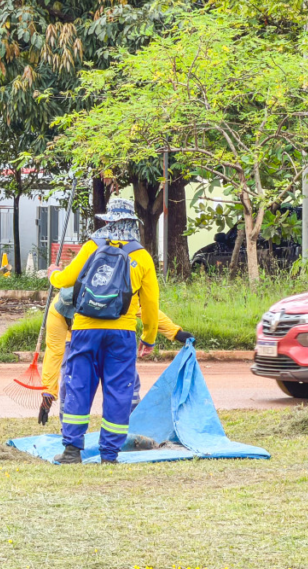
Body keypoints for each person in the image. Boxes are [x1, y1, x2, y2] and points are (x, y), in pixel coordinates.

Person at [46, 197, 160, 464]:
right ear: (132, 223)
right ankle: (109, 455)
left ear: (108, 220)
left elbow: (64, 280)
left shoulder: (91, 246)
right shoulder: (141, 256)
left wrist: (52, 273)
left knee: (79, 386)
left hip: (85, 330)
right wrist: (149, 337)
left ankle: (72, 451)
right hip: (122, 334)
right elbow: (151, 303)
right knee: (119, 390)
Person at [37, 287, 192, 424]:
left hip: (108, 334)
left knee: (125, 380)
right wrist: (48, 393)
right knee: (71, 381)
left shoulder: (108, 295)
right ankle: (70, 433)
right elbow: (54, 352)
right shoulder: (57, 309)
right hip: (76, 341)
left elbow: (145, 310)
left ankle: (133, 423)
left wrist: (175, 332)